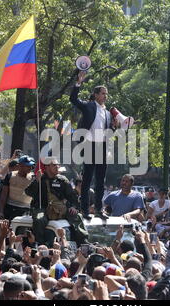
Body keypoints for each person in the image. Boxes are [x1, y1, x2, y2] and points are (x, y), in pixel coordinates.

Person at [70, 70, 116, 220]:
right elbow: (73, 99)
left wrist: (115, 126)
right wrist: (78, 83)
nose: (105, 96)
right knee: (87, 179)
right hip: (89, 144)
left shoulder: (108, 113)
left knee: (100, 180)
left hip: (102, 146)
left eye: (106, 94)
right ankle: (84, 209)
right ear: (96, 95)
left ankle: (98, 209)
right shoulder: (89, 106)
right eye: (102, 93)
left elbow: (109, 132)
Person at [25, 157, 89, 246]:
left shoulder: (62, 180)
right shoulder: (40, 179)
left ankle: (83, 243)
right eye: (54, 165)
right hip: (42, 208)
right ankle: (39, 244)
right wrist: (36, 181)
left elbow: (72, 196)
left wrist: (74, 207)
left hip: (59, 208)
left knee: (77, 216)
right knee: (39, 219)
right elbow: (28, 192)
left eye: (58, 165)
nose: (57, 167)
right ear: (46, 167)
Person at [0, 155, 34, 220]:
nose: (30, 168)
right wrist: (1, 211)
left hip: (25, 210)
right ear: (20, 166)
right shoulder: (10, 175)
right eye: (27, 166)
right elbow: (4, 195)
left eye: (31, 166)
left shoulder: (33, 177)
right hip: (10, 208)